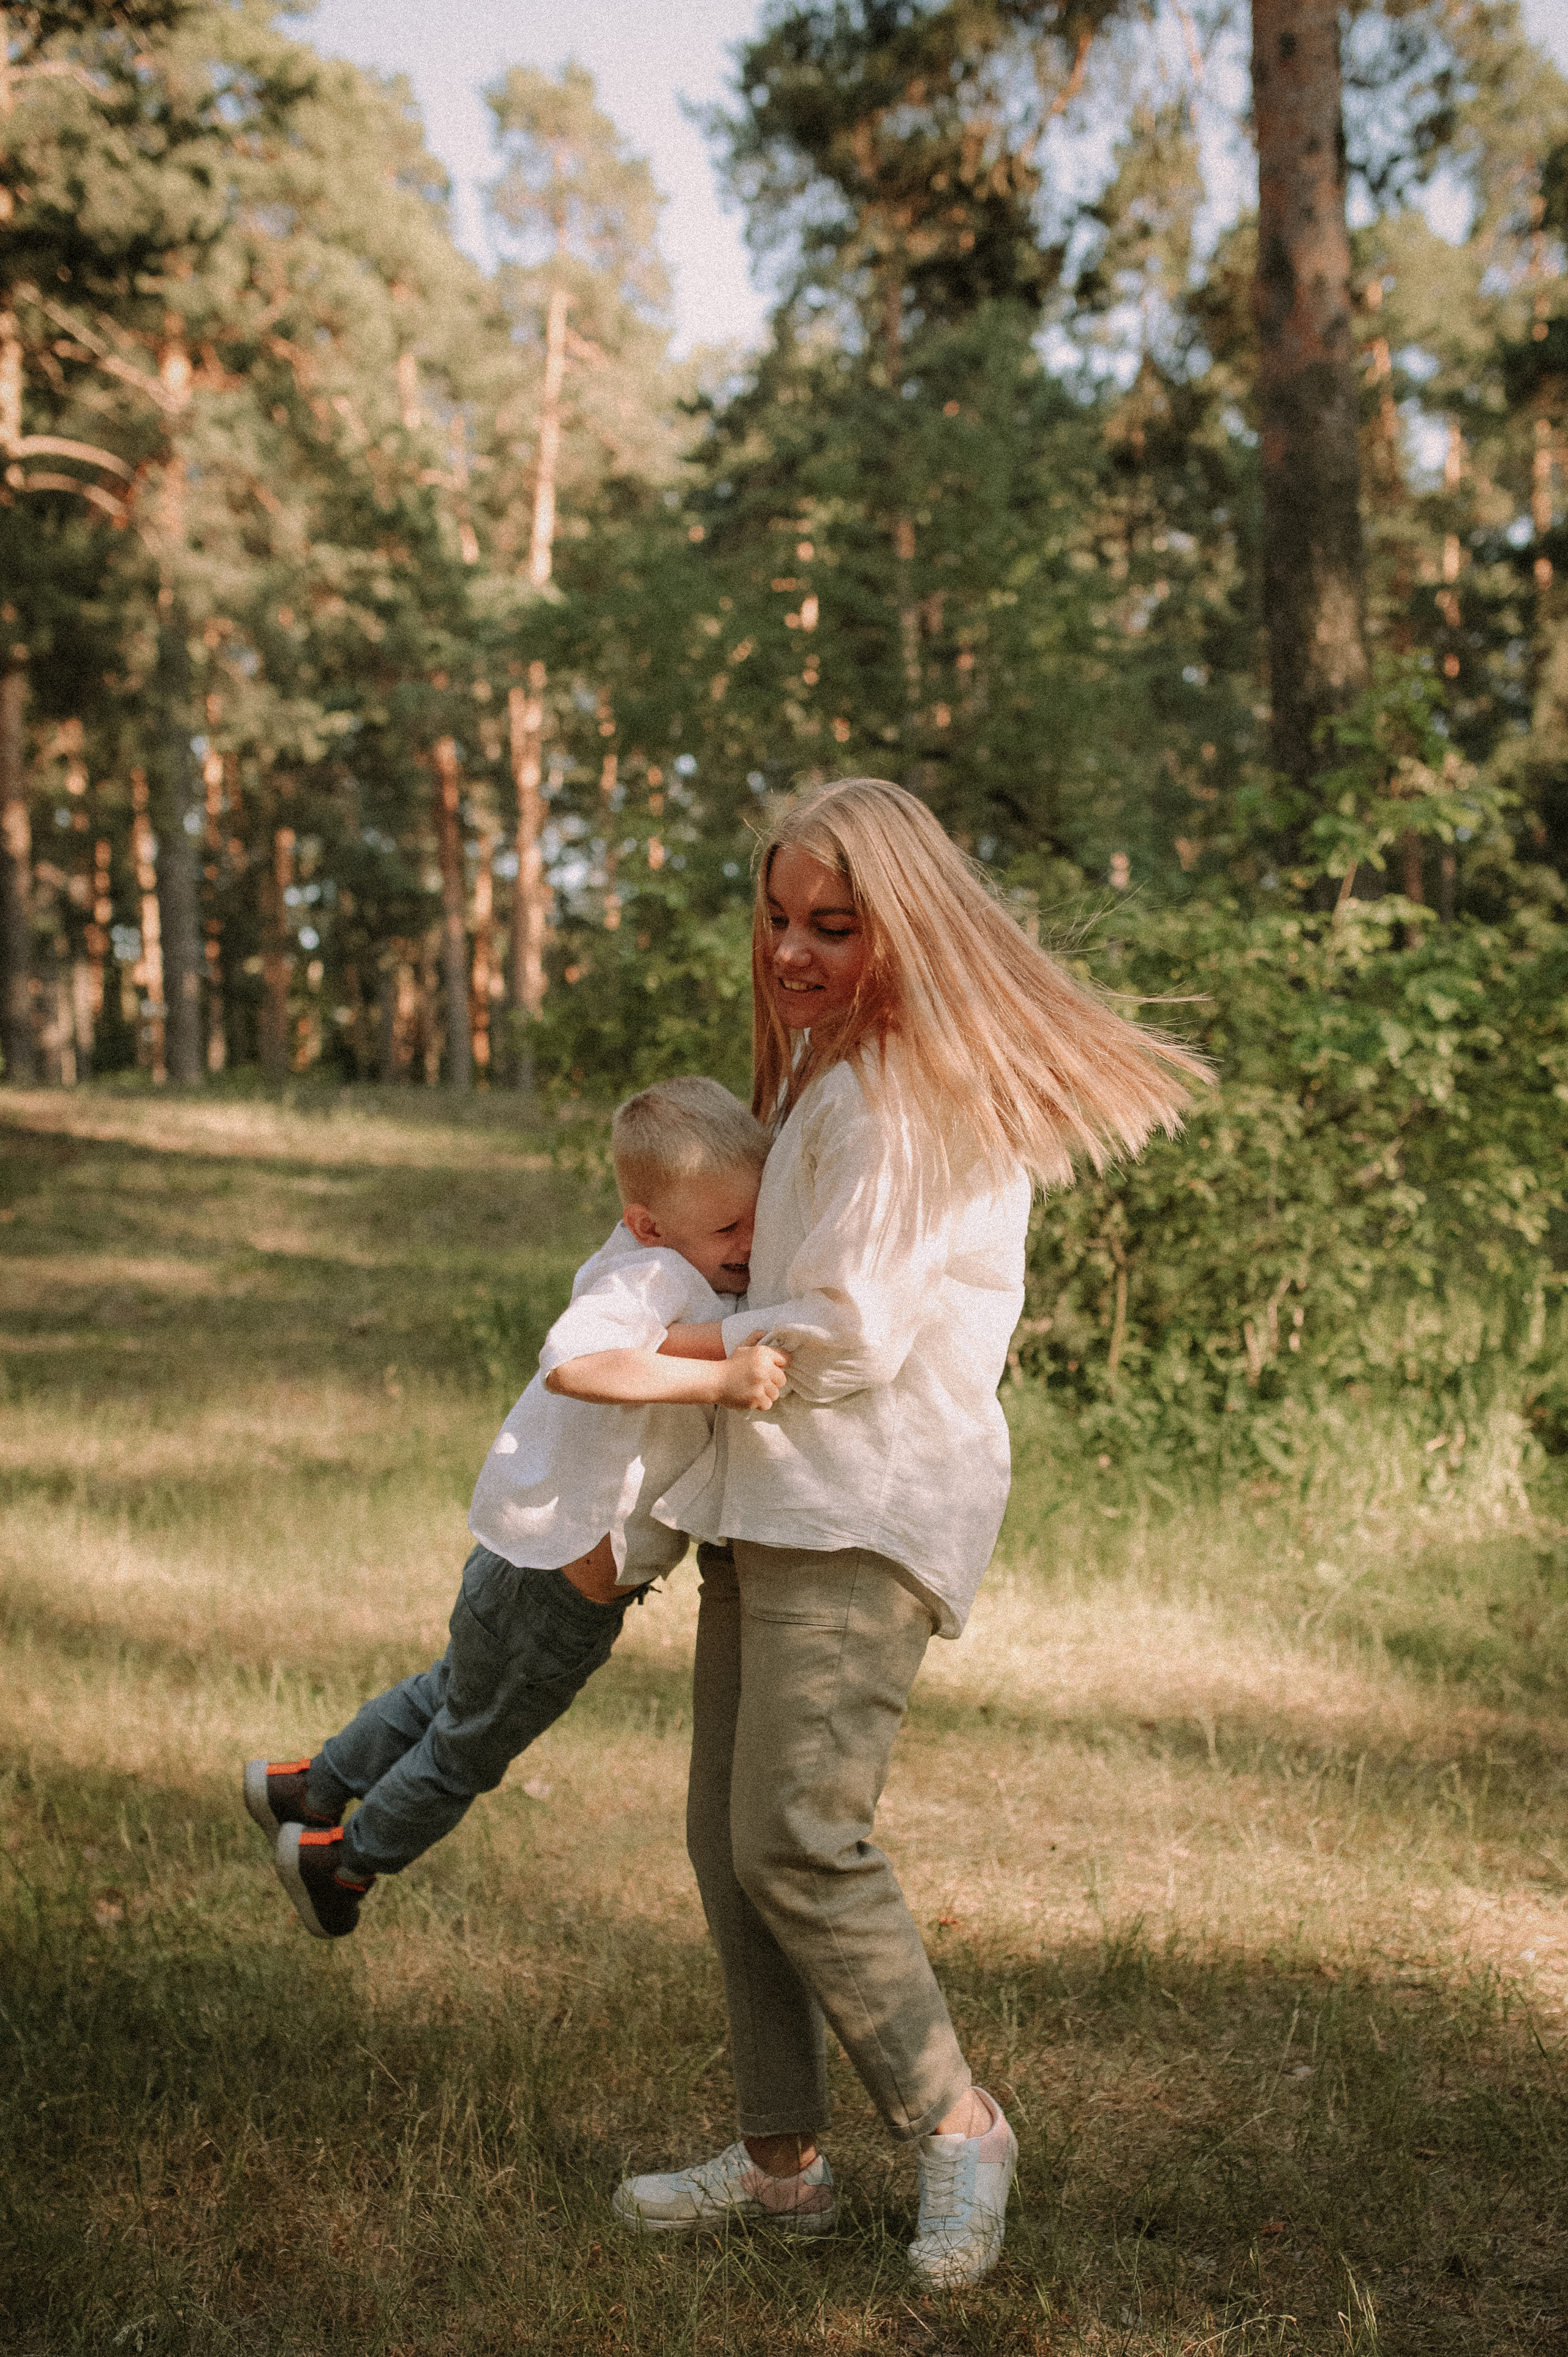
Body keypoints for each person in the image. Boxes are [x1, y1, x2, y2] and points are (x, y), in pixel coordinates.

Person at [611, 780, 1208, 2287]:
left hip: (860, 1502)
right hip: (775, 1492)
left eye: (832, 923)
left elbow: (857, 1336)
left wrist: (666, 1349)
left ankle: (957, 2124)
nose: (791, 953)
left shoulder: (903, 1092)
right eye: (776, 918)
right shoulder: (832, 1066)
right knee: (726, 1841)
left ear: (901, 923)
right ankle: (778, 2167)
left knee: (796, 1837)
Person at [243, 1076, 790, 1941]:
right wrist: (717, 1378)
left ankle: (308, 1785)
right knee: (470, 1745)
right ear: (650, 1224)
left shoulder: (652, 1256)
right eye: (728, 1228)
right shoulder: (648, 1277)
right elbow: (575, 1361)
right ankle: (340, 1863)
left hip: (525, 1549)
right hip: (564, 1587)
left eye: (757, 1216)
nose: (749, 1242)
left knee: (450, 1691)